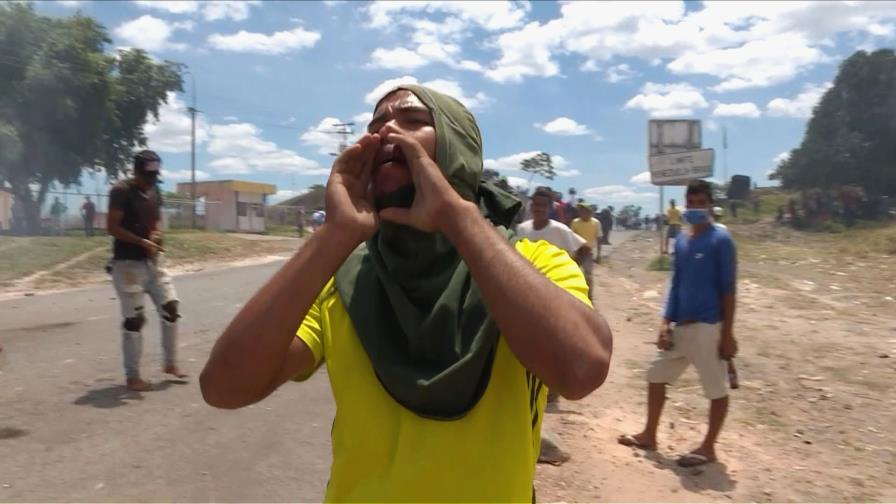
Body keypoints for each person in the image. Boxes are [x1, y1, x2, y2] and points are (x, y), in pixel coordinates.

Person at [199, 86, 613, 503]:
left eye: (412, 121)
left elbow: (580, 370)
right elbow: (224, 387)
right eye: (375, 126)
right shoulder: (346, 278)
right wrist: (335, 235)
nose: (385, 132)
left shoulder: (533, 264)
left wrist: (457, 217)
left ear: (458, 152)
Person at [618, 179, 737, 468]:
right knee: (655, 376)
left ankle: (708, 447)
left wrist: (728, 335)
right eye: (691, 203)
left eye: (701, 203)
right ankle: (649, 434)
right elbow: (676, 283)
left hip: (708, 327)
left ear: (710, 205)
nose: (695, 208)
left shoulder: (721, 241)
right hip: (680, 327)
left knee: (716, 389)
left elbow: (728, 290)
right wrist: (664, 322)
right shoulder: (682, 240)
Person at [107, 150, 186, 392]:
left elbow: (156, 220)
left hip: (154, 263)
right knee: (134, 320)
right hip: (128, 265)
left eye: (154, 177)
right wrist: (141, 242)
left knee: (171, 308)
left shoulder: (154, 190)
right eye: (146, 176)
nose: (150, 182)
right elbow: (112, 227)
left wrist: (156, 233)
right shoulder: (120, 191)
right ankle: (133, 376)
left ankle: (170, 364)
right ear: (136, 171)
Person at [570, 202, 603, 295]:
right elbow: (571, 237)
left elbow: (599, 238)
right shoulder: (575, 222)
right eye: (580, 210)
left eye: (583, 211)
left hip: (588, 252)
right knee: (572, 273)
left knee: (588, 275)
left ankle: (589, 296)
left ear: (589, 212)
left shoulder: (596, 223)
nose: (581, 213)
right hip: (577, 251)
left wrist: (599, 254)